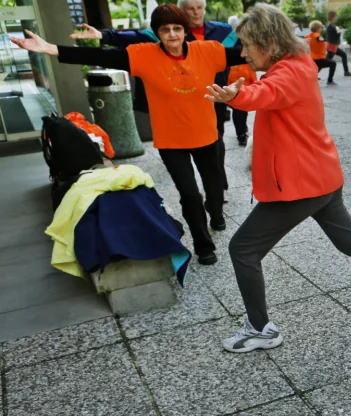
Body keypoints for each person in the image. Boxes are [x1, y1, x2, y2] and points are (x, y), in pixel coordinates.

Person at [205, 5, 351, 353]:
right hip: (321, 177)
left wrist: (236, 95)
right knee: (350, 242)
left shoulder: (289, 73)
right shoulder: (296, 66)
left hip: (301, 186)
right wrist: (242, 95)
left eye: (249, 44)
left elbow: (264, 95)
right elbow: (268, 94)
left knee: (242, 248)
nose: (243, 52)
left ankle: (261, 329)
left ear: (268, 42)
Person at [16, 4, 248, 265]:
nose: (172, 35)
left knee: (214, 187)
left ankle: (215, 213)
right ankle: (203, 245)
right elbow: (104, 58)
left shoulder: (207, 50)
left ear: (185, 31)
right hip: (172, 141)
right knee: (190, 195)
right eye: (165, 29)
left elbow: (244, 55)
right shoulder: (144, 55)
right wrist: (50, 49)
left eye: (177, 28)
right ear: (157, 33)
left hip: (206, 136)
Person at [71, 0, 238, 194]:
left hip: (213, 96)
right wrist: (103, 35)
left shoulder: (222, 31)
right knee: (190, 178)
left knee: (216, 142)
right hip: (177, 101)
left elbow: (242, 52)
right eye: (190, 9)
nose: (196, 12)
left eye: (199, 8)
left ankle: (218, 185)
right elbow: (133, 37)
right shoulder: (170, 32)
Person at [227, 14, 254, 147]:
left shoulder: (232, 38)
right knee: (239, 109)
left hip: (237, 76)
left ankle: (241, 133)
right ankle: (241, 133)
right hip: (236, 76)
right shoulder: (238, 38)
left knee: (239, 108)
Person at [304, 20, 336, 85]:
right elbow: (319, 39)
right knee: (333, 63)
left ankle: (311, 78)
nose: (321, 29)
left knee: (318, 67)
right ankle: (330, 80)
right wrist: (326, 39)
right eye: (321, 28)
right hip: (319, 57)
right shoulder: (317, 35)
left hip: (313, 57)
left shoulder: (309, 35)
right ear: (318, 28)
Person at [325, 11, 351, 78]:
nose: (336, 17)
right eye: (335, 16)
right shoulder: (331, 26)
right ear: (333, 16)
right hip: (332, 45)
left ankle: (346, 71)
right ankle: (315, 73)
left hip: (333, 45)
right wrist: (339, 31)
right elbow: (336, 34)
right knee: (326, 61)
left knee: (343, 55)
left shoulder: (331, 25)